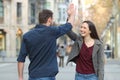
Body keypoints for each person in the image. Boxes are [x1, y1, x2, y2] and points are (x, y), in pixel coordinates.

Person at [17, 4, 76, 80]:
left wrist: (20, 77)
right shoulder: (52, 31)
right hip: (48, 76)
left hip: (33, 76)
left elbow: (21, 59)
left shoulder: (27, 36)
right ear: (49, 19)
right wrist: (72, 14)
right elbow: (69, 25)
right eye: (52, 19)